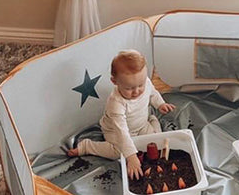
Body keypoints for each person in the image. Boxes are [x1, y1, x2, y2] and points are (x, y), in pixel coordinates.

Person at [67, 50, 175, 180]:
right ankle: (87, 147)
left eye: (140, 85)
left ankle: (152, 121)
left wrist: (160, 104)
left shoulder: (145, 82)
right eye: (129, 88)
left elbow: (153, 93)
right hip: (115, 131)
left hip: (141, 126)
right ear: (114, 81)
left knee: (154, 141)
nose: (137, 91)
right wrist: (131, 156)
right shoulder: (116, 103)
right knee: (117, 152)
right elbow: (121, 131)